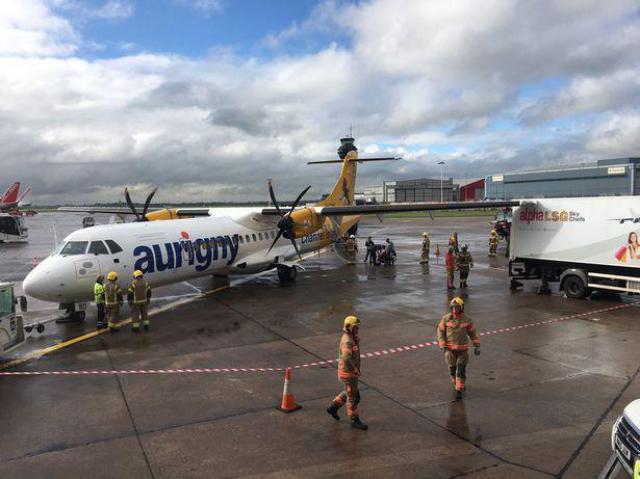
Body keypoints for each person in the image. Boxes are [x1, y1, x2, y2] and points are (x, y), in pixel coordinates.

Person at [326, 315, 368, 430]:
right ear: (349, 327)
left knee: (350, 392)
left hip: (349, 372)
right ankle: (354, 420)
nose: (358, 329)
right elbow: (346, 358)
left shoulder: (352, 338)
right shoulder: (348, 341)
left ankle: (333, 407)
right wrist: (354, 369)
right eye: (356, 327)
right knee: (353, 397)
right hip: (348, 373)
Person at [437, 297, 480, 399]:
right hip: (449, 350)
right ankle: (457, 383)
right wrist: (442, 344)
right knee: (452, 370)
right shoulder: (446, 319)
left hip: (462, 351)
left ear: (461, 308)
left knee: (460, 370)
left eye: (457, 307)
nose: (454, 310)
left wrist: (477, 346)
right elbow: (440, 331)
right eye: (453, 307)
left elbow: (473, 333)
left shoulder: (467, 320)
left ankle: (459, 389)